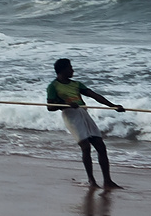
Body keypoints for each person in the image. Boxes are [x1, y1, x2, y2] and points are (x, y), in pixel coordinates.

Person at [47, 57, 125, 189]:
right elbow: (50, 107)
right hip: (71, 116)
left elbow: (94, 95)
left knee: (100, 146)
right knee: (86, 147)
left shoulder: (76, 84)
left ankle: (107, 181)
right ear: (62, 70)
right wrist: (65, 104)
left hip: (83, 113)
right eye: (70, 68)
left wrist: (113, 106)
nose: (72, 70)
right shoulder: (53, 86)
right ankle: (92, 181)